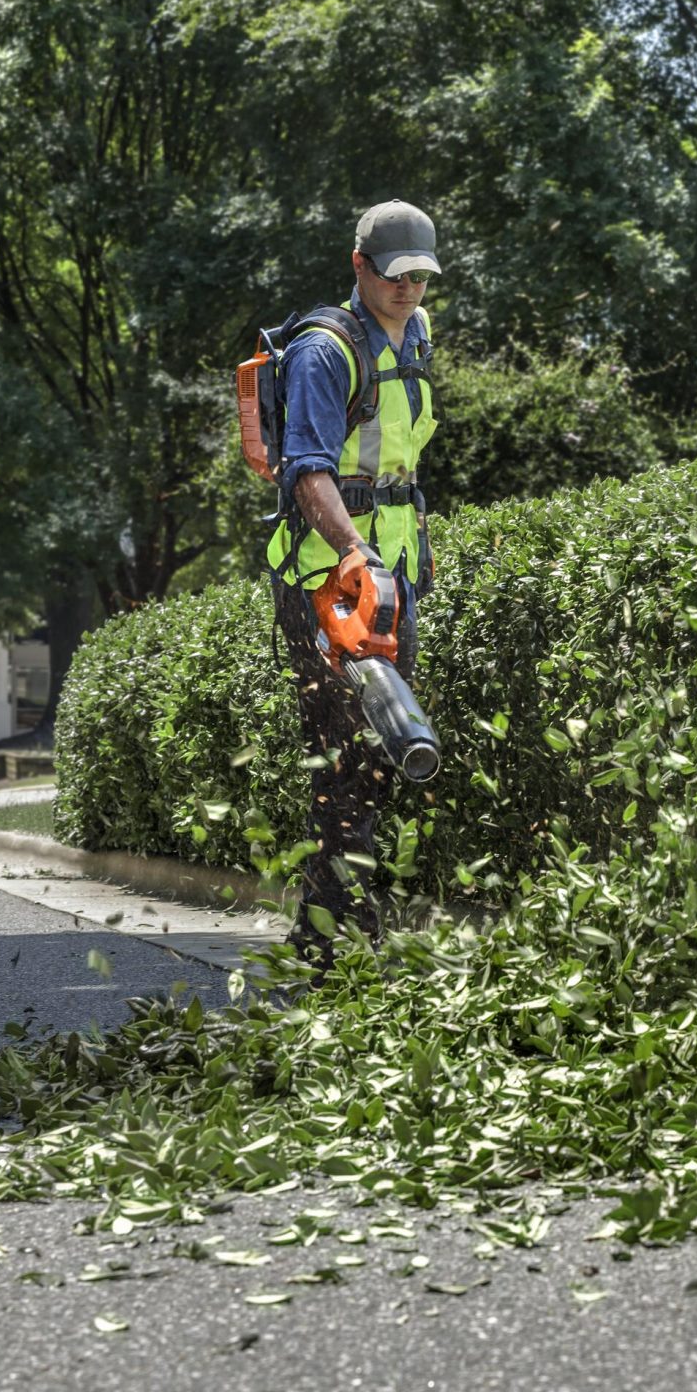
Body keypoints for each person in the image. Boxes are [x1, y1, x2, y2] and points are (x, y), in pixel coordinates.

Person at [264, 200, 441, 964]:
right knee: (348, 755)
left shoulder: (417, 336)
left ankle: (330, 926)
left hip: (392, 579)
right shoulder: (323, 351)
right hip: (325, 582)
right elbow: (308, 469)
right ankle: (336, 940)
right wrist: (353, 554)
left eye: (421, 277)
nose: (408, 290)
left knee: (381, 754)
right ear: (359, 265)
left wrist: (400, 560)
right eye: (395, 276)